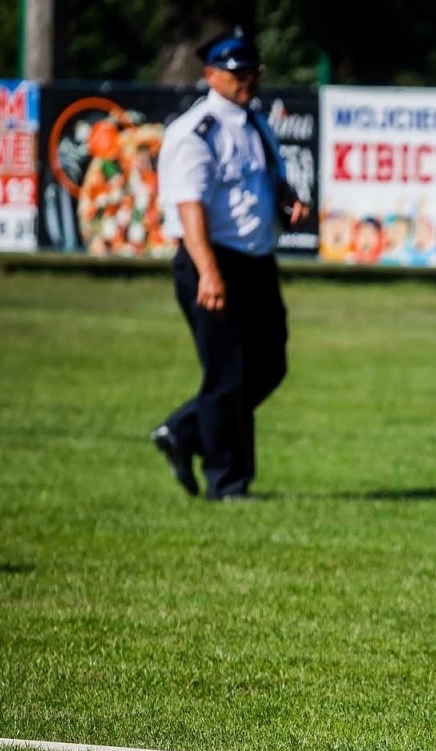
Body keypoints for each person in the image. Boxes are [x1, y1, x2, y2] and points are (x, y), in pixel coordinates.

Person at [149, 26, 309, 501]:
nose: (248, 80)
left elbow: (266, 182)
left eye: (253, 71)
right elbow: (189, 207)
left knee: (269, 363)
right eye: (238, 72)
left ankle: (184, 430)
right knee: (228, 373)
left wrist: (288, 203)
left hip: (256, 261)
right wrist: (209, 273)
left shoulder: (254, 121)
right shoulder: (197, 132)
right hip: (212, 261)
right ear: (211, 75)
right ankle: (228, 483)